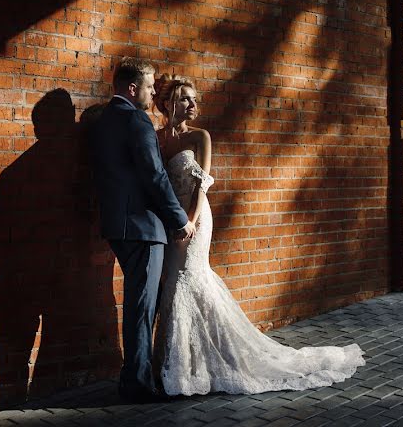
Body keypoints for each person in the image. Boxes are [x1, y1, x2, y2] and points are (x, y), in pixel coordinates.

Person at [152, 75, 365, 396]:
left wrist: (190, 221)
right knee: (170, 282)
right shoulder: (157, 139)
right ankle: (173, 365)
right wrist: (171, 220)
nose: (193, 105)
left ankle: (206, 362)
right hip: (170, 220)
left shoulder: (201, 137)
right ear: (169, 103)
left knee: (189, 278)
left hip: (195, 220)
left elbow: (203, 184)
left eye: (195, 99)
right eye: (186, 99)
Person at [88, 58, 195, 403]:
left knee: (137, 303)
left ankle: (135, 377)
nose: (152, 93)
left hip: (116, 225)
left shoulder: (102, 121)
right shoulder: (136, 119)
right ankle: (137, 383)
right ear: (132, 89)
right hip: (143, 227)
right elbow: (154, 175)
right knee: (142, 307)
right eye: (149, 87)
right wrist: (179, 218)